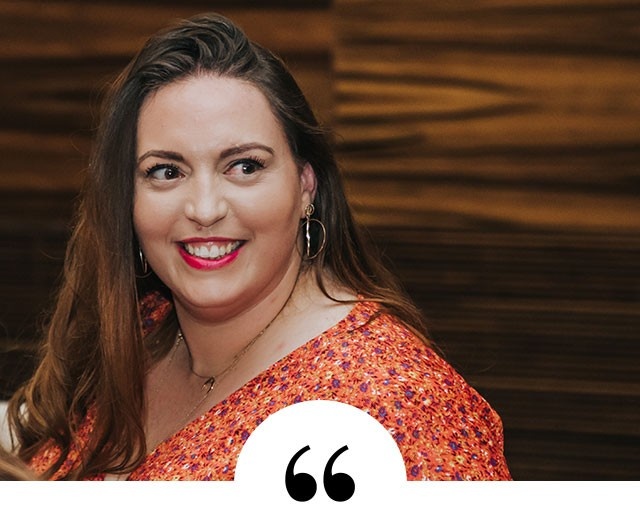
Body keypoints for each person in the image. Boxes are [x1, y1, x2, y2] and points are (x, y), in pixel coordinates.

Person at [7, 13, 511, 481]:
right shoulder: (136, 331)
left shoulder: (395, 404)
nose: (205, 208)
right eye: (166, 171)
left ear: (306, 185)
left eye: (244, 166)